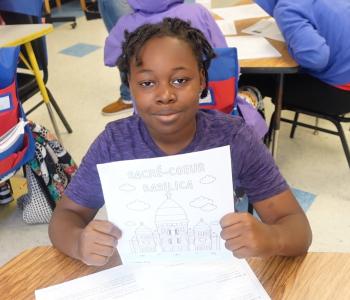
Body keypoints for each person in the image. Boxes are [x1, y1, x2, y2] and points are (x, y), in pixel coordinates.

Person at [49, 18, 312, 266]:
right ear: (130, 85)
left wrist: (271, 238)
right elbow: (65, 217)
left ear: (202, 79)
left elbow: (297, 229)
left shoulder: (233, 138)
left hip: (216, 278)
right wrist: (78, 243)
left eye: (180, 80)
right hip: (139, 278)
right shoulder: (113, 144)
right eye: (147, 82)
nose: (165, 95)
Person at [101, 0, 226, 115]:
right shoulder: (197, 11)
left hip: (151, 110)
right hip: (204, 95)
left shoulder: (125, 24)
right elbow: (223, 52)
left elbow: (109, 59)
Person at [239, 0, 350, 116]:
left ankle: (249, 129)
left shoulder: (288, 7)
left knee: (252, 77)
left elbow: (315, 59)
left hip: (339, 94)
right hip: (344, 81)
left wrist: (291, 46)